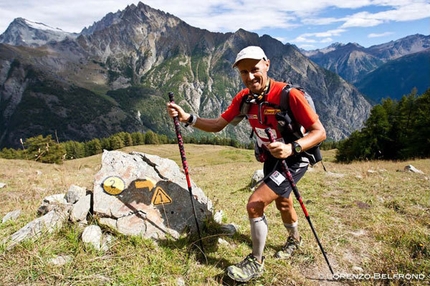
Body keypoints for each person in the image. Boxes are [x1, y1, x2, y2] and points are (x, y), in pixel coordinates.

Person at [166, 46, 326, 282]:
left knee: (254, 204)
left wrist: (292, 148)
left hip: (295, 157)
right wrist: (188, 118)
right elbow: (218, 124)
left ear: (267, 64)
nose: (249, 77)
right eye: (243, 72)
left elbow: (320, 132)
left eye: (254, 70)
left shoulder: (288, 95)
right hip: (271, 158)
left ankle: (256, 262)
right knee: (283, 201)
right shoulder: (244, 99)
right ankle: (295, 240)